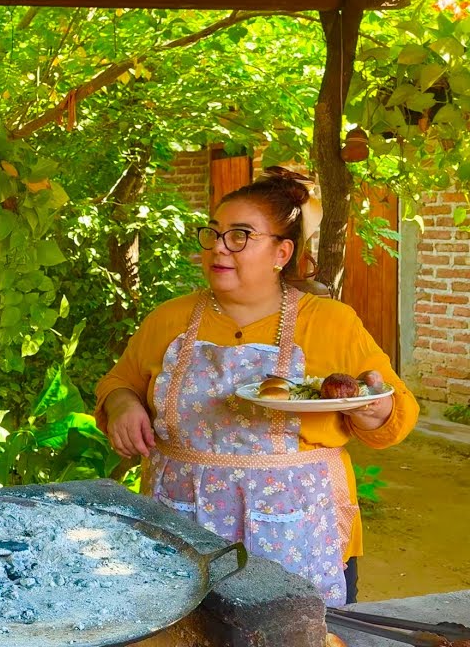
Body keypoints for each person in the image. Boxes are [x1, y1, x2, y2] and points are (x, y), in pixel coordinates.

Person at [95, 167, 417, 607]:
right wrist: (120, 403)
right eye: (214, 233)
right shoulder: (168, 319)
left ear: (281, 252)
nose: (220, 248)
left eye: (240, 236)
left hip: (296, 529)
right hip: (181, 522)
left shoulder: (329, 323)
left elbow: (394, 414)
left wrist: (371, 409)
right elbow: (120, 381)